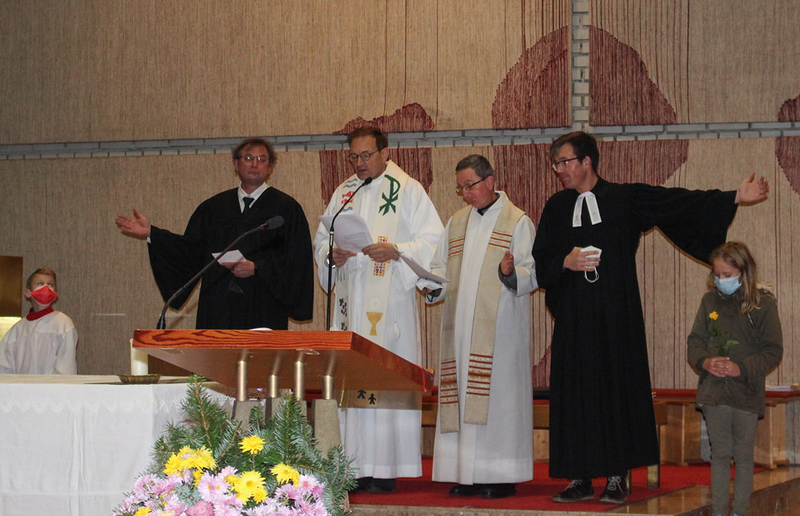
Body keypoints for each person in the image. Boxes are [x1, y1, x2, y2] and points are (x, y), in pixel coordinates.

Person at [532, 131, 770, 504]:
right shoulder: (556, 207)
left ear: (586, 161)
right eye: (555, 164)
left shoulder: (623, 198)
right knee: (576, 393)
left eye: (564, 162)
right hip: (574, 319)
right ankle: (580, 477)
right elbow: (541, 258)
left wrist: (734, 197)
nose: (558, 169)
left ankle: (617, 475)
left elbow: (675, 203)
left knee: (616, 390)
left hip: (617, 315)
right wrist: (566, 261)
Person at [313, 126, 443, 493]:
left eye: (366, 155)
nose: (359, 163)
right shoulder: (344, 193)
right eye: (353, 157)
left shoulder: (408, 190)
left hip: (390, 310)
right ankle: (353, 467)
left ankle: (385, 469)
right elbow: (322, 240)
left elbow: (433, 241)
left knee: (383, 381)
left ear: (385, 153)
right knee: (352, 381)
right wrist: (332, 255)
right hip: (350, 306)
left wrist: (396, 251)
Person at [420, 154, 537, 499]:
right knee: (461, 399)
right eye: (461, 188)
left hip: (500, 333)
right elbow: (440, 269)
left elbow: (532, 271)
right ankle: (464, 473)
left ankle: (500, 476)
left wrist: (509, 273)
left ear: (489, 181)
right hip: (460, 333)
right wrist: (432, 284)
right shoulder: (456, 222)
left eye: (470, 185)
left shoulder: (517, 222)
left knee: (498, 402)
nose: (466, 193)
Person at [116, 138, 314, 330]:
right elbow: (189, 250)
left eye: (262, 159)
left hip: (263, 308)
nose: (255, 164)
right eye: (248, 158)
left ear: (270, 167)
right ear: (236, 164)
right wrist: (153, 233)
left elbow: (297, 262)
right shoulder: (214, 208)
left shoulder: (286, 209)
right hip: (218, 308)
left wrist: (257, 268)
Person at [687, 241, 782, 516]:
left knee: (743, 456)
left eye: (727, 275)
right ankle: (719, 511)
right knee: (719, 454)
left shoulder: (762, 304)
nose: (721, 280)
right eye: (717, 275)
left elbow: (773, 350)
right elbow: (695, 342)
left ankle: (739, 510)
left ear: (743, 271)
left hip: (746, 392)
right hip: (714, 392)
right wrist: (705, 361)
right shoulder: (709, 301)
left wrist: (742, 368)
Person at [0, 267, 78, 374]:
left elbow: (66, 369)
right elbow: (4, 369)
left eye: (50, 284)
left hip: (51, 385)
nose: (46, 287)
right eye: (40, 283)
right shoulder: (16, 330)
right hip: (21, 385)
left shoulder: (63, 325)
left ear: (55, 294)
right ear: (28, 293)